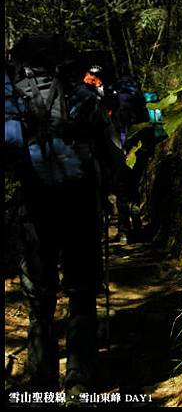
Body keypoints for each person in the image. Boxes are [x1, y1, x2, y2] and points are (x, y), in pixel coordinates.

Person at [5, 35, 123, 399]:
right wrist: (116, 190)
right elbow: (109, 154)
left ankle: (40, 381)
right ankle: (78, 378)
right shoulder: (82, 96)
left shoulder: (16, 99)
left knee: (39, 298)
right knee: (82, 293)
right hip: (80, 208)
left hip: (34, 210)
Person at [109, 74, 149, 243]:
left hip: (122, 153)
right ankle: (138, 226)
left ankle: (124, 231)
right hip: (140, 151)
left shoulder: (114, 103)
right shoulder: (141, 102)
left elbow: (110, 131)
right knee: (134, 187)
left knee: (122, 191)